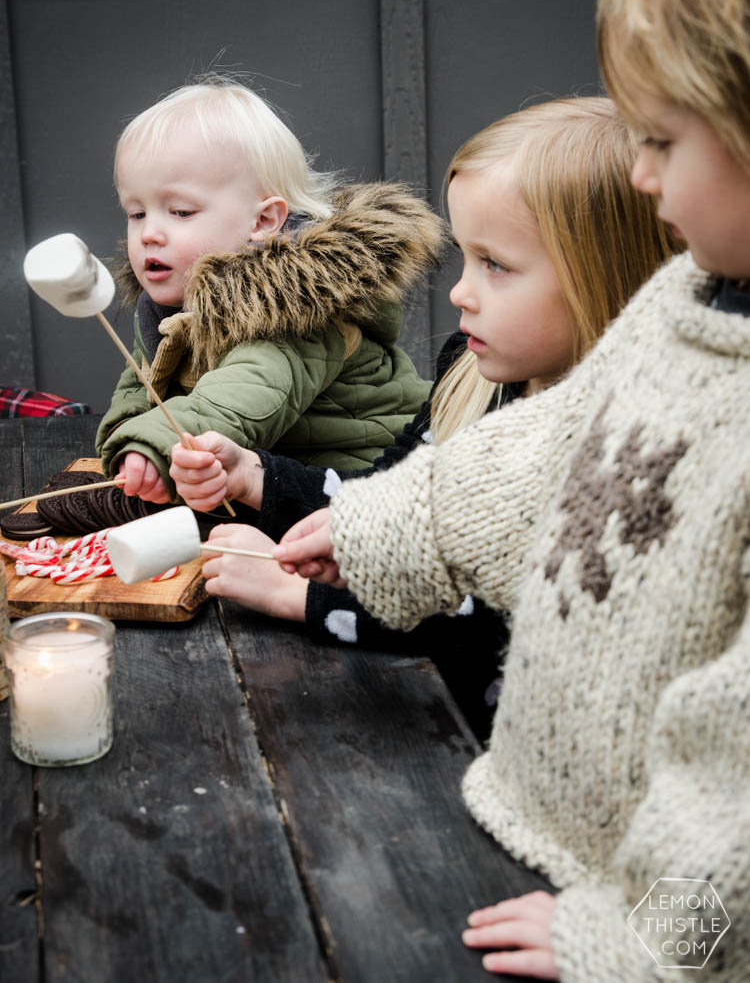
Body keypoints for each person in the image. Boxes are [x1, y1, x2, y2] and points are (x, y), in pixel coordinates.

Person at [272, 0, 750, 977]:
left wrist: (650, 939)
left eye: (665, 139)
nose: (640, 174)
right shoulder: (690, 299)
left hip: (660, 918)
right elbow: (565, 445)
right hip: (546, 832)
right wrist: (399, 524)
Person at [169, 94, 677, 741]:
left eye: (496, 265)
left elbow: (495, 625)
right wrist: (257, 477)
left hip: (493, 749)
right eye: (466, 257)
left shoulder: (626, 444)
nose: (461, 292)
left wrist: (299, 596)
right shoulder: (469, 373)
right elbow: (382, 502)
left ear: (599, 277)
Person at [95, 75, 444, 504]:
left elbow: (242, 395)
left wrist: (158, 445)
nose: (150, 233)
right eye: (136, 213)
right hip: (264, 473)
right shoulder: (170, 305)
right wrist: (126, 438)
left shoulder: (299, 306)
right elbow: (142, 382)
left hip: (357, 483)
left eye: (181, 211)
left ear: (262, 222)